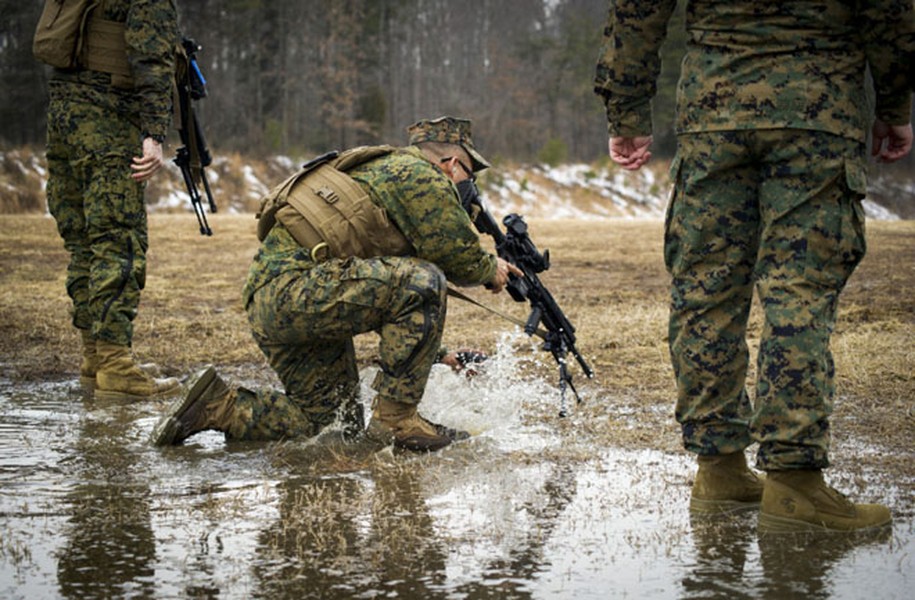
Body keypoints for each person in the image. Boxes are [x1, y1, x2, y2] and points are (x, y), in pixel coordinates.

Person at [594, 1, 914, 531]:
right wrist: (895, 103)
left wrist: (627, 113)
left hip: (714, 111)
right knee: (799, 294)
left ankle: (718, 468)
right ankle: (794, 483)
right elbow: (890, 13)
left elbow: (637, 10)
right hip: (816, 109)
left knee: (705, 294)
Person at [153, 116, 521, 452]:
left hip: (281, 300)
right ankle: (397, 422)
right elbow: (458, 259)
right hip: (297, 291)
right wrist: (492, 269)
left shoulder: (381, 170)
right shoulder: (419, 175)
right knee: (424, 280)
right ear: (453, 163)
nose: (470, 186)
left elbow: (379, 291)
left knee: (331, 424)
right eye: (470, 175)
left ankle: (218, 406)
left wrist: (439, 353)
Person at [43, 0, 180, 400]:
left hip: (64, 114)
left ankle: (95, 357)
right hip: (108, 118)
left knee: (85, 241)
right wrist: (154, 134)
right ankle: (116, 365)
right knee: (118, 241)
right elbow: (152, 59)